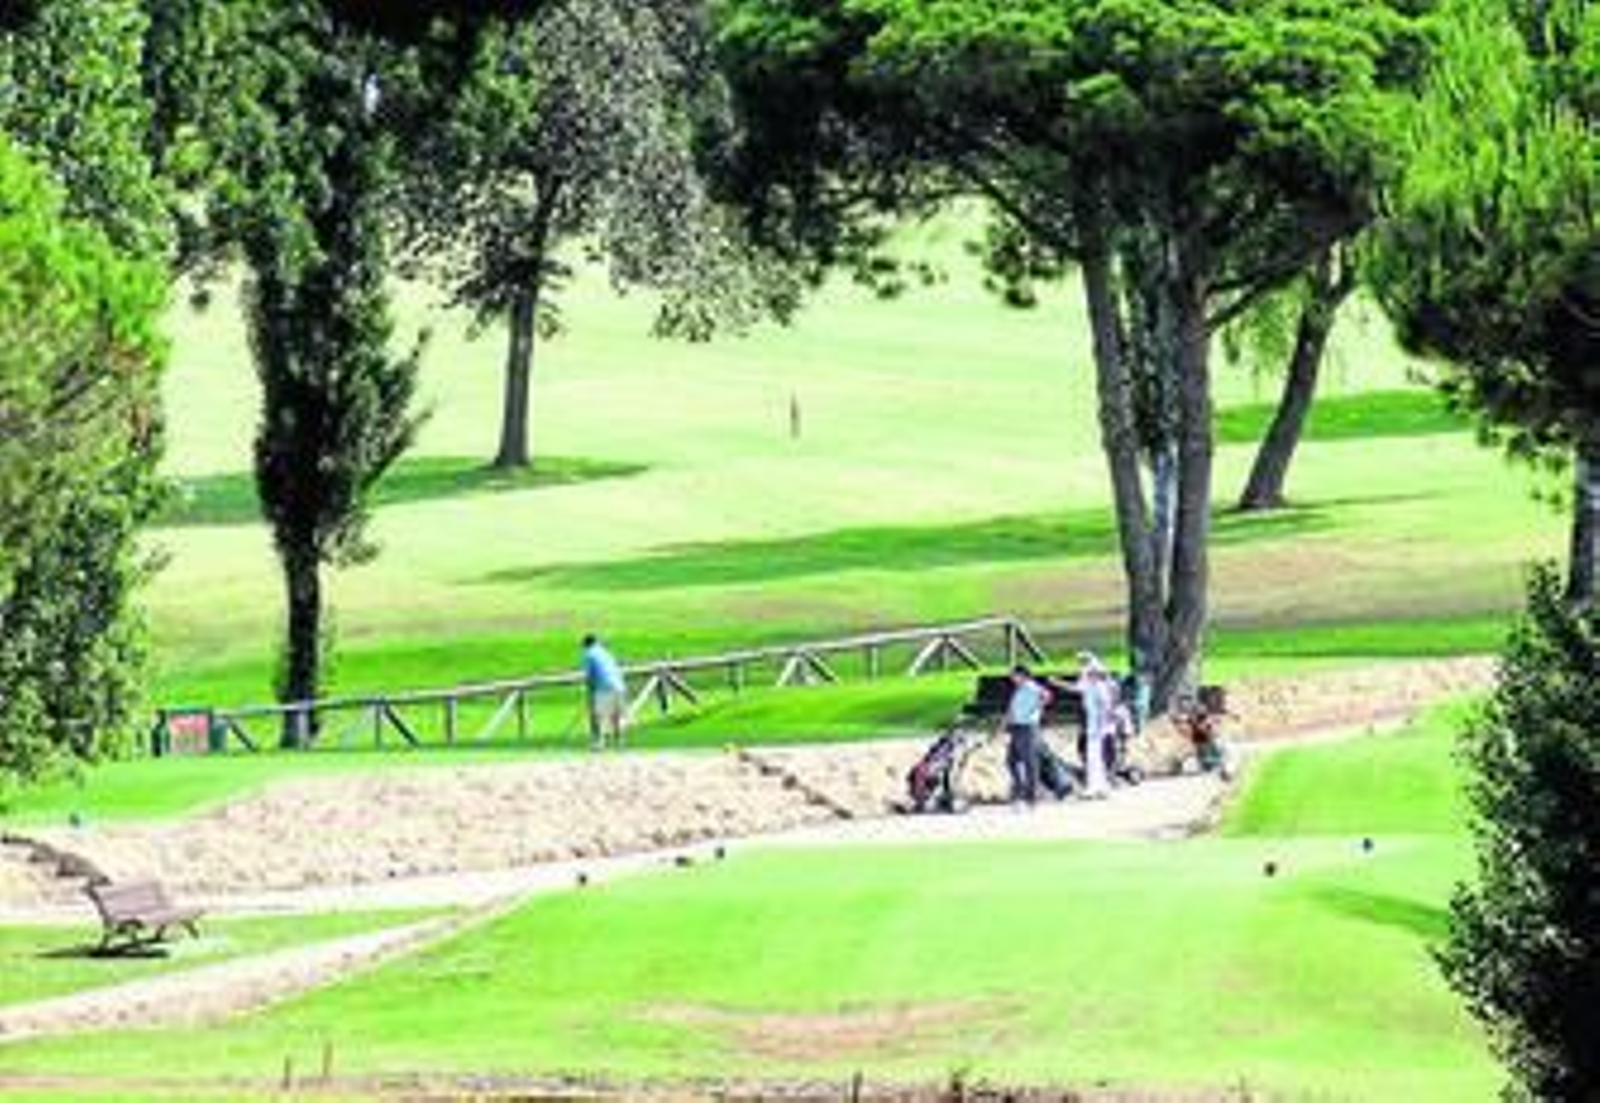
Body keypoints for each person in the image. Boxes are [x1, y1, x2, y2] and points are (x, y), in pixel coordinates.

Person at [997, 664, 1051, 805]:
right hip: (1016, 727)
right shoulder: (1018, 690)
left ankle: (1031, 795)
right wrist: (1004, 723)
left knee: (1029, 762)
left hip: (1027, 727)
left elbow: (1046, 696)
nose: (1012, 678)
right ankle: (1020, 788)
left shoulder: (1031, 687)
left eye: (1014, 675)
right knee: (1011, 760)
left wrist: (1036, 711)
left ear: (1022, 675)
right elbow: (1011, 709)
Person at [1078, 651, 1115, 798]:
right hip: (1093, 725)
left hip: (1097, 727)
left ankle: (1096, 787)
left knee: (1095, 757)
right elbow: (1078, 688)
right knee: (1094, 757)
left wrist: (1100, 726)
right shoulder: (1091, 686)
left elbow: (1104, 707)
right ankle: (1100, 787)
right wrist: (1057, 683)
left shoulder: (1099, 687)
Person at [580, 634, 627, 750]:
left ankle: (599, 742)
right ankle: (619, 741)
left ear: (586, 644)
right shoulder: (606, 653)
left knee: (598, 716)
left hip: (604, 687)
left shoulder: (589, 654)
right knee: (616, 716)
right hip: (619, 686)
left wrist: (589, 692)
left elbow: (589, 675)